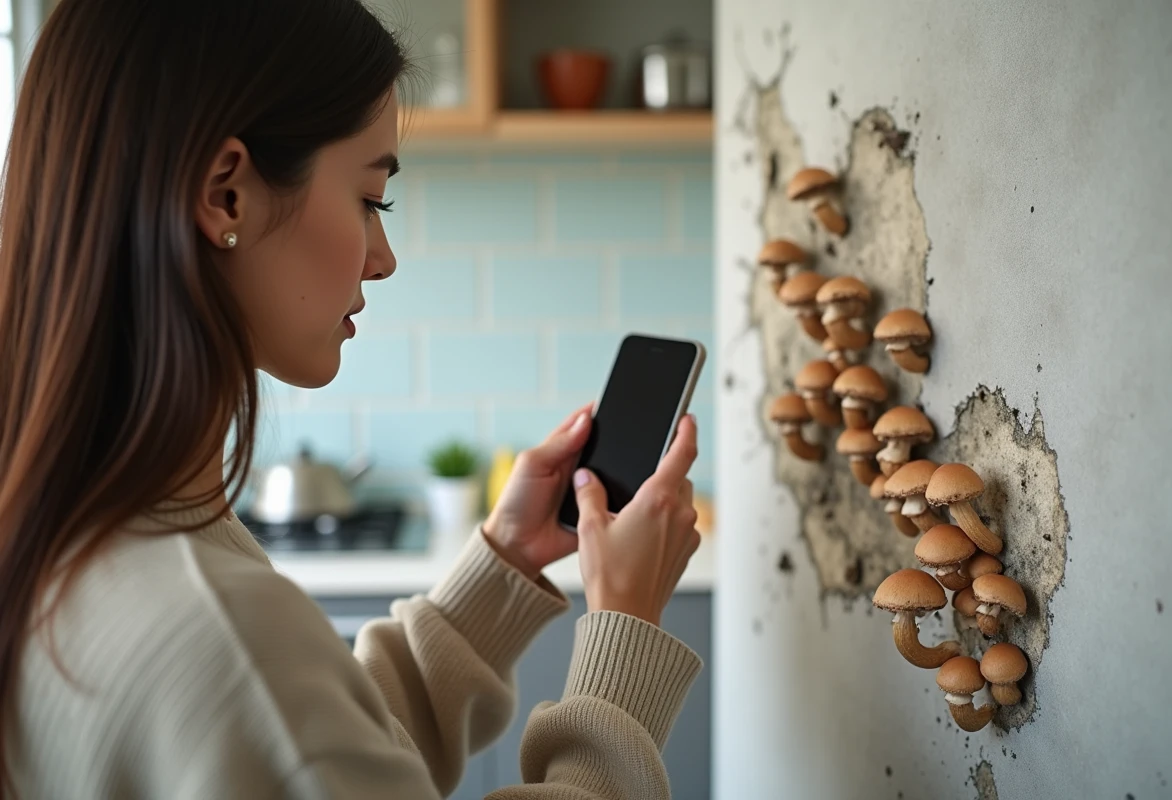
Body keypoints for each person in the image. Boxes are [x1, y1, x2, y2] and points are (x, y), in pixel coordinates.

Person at [0, 1, 704, 798]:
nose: (384, 258)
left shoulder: (86, 524)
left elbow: (310, 750)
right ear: (225, 195)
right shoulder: (222, 633)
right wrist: (624, 635)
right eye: (373, 199)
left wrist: (504, 563)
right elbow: (273, 712)